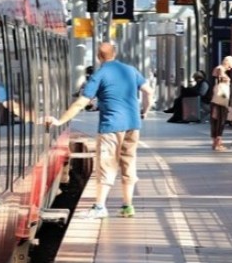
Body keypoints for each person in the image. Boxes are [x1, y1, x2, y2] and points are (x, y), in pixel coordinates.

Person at [45, 42, 153, 219]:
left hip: (111, 126)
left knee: (106, 165)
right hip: (133, 125)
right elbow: (148, 92)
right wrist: (145, 111)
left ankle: (100, 207)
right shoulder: (130, 70)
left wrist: (60, 121)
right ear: (115, 53)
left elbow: (81, 102)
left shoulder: (100, 74)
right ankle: (127, 206)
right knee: (128, 163)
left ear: (98, 56)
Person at [210, 55, 232, 151]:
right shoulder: (220, 69)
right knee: (221, 120)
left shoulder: (218, 68)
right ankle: (218, 142)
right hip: (221, 99)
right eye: (231, 65)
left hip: (216, 98)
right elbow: (220, 76)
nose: (230, 68)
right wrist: (225, 78)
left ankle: (216, 142)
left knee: (215, 119)